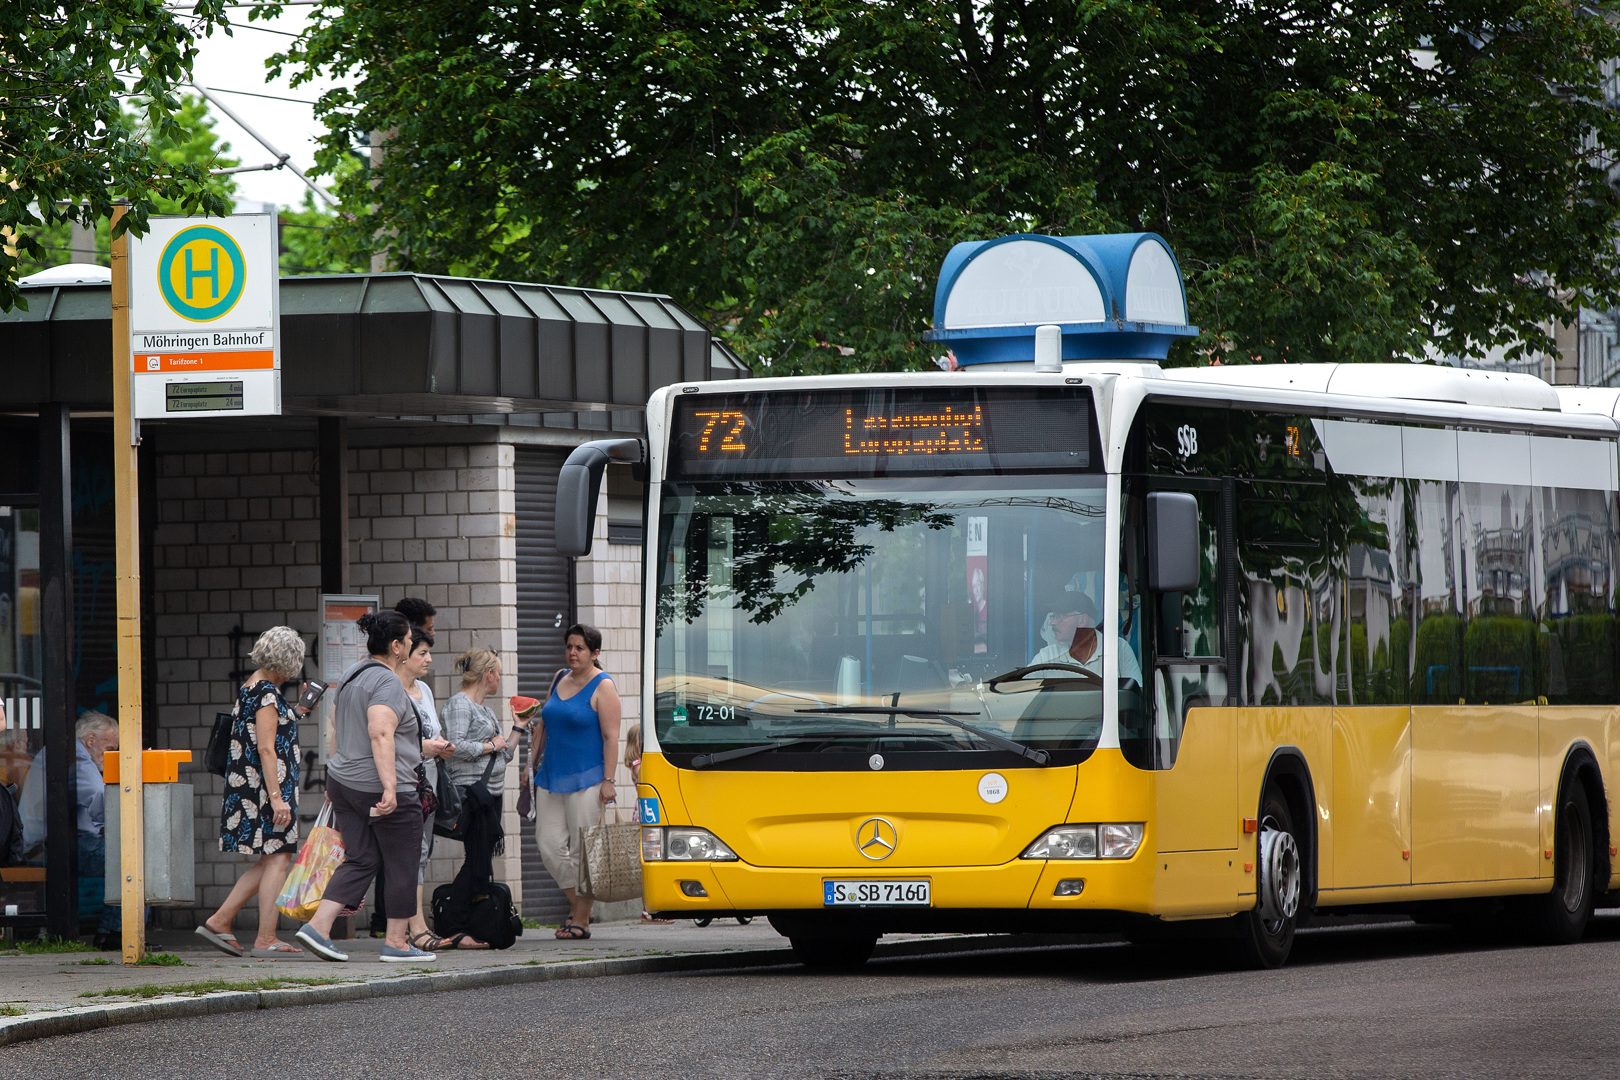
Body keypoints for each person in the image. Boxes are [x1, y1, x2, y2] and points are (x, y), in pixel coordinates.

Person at [294, 611, 435, 963]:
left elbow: (336, 726)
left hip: (343, 781)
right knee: (403, 862)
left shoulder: (352, 673)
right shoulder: (388, 682)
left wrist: (333, 775)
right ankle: (397, 942)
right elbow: (381, 733)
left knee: (362, 857)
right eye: (409, 641)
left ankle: (318, 927)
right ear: (396, 646)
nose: (412, 646)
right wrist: (390, 787)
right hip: (380, 785)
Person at [196, 626, 308, 957]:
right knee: (278, 857)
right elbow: (266, 748)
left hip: (255, 787)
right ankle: (265, 937)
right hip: (266, 790)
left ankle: (220, 920)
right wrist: (277, 798)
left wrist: (298, 711)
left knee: (270, 859)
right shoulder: (267, 694)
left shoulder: (252, 687)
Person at [529, 623, 620, 940]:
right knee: (549, 845)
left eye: (580, 648)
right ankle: (580, 906)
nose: (572, 652)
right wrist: (529, 763)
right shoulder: (559, 678)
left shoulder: (603, 686)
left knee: (584, 852)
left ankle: (580, 919)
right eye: (569, 646)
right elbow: (543, 723)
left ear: (595, 653)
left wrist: (609, 780)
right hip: (551, 776)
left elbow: (611, 737)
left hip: (588, 779)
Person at [397, 626, 481, 951]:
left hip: (428, 784)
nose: (429, 659)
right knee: (406, 854)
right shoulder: (392, 690)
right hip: (403, 781)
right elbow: (387, 739)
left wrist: (442, 745)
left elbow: (433, 731)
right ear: (403, 654)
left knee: (420, 854)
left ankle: (414, 927)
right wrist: (425, 747)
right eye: (422, 653)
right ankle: (411, 928)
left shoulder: (424, 690)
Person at [18, 712, 121, 944]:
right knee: (133, 860)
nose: (111, 756)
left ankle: (110, 932)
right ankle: (116, 932)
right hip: (51, 846)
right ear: (91, 740)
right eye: (110, 748)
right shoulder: (76, 757)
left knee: (125, 858)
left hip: (46, 842)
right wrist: (118, 824)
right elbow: (99, 796)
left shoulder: (61, 751)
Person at [1029, 585, 1143, 686]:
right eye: (1053, 616)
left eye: (1060, 616)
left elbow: (1136, 693)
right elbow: (1023, 690)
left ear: (1082, 620)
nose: (1052, 622)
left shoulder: (1118, 648)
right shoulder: (1047, 656)